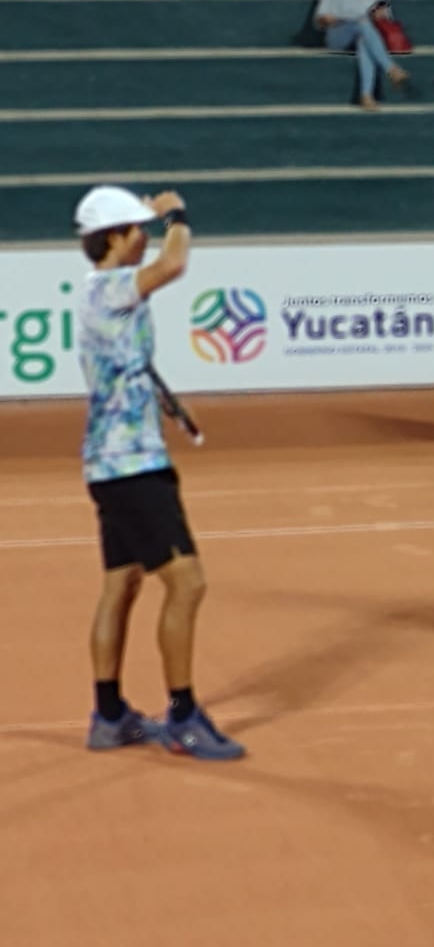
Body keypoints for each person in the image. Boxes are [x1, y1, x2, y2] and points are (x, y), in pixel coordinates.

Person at [73, 185, 245, 760]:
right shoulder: (109, 288)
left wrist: (166, 401)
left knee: (121, 583)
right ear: (113, 238)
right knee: (187, 582)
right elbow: (175, 262)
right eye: (135, 229)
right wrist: (177, 213)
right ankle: (183, 716)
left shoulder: (106, 296)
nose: (144, 238)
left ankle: (110, 715)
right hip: (133, 466)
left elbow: (129, 365)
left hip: (110, 462)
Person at [314, 0, 409, 111]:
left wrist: (380, 14)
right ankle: (391, 69)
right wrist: (329, 18)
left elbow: (386, 18)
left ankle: (366, 96)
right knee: (361, 23)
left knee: (364, 40)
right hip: (339, 32)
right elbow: (320, 19)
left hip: (367, 34)